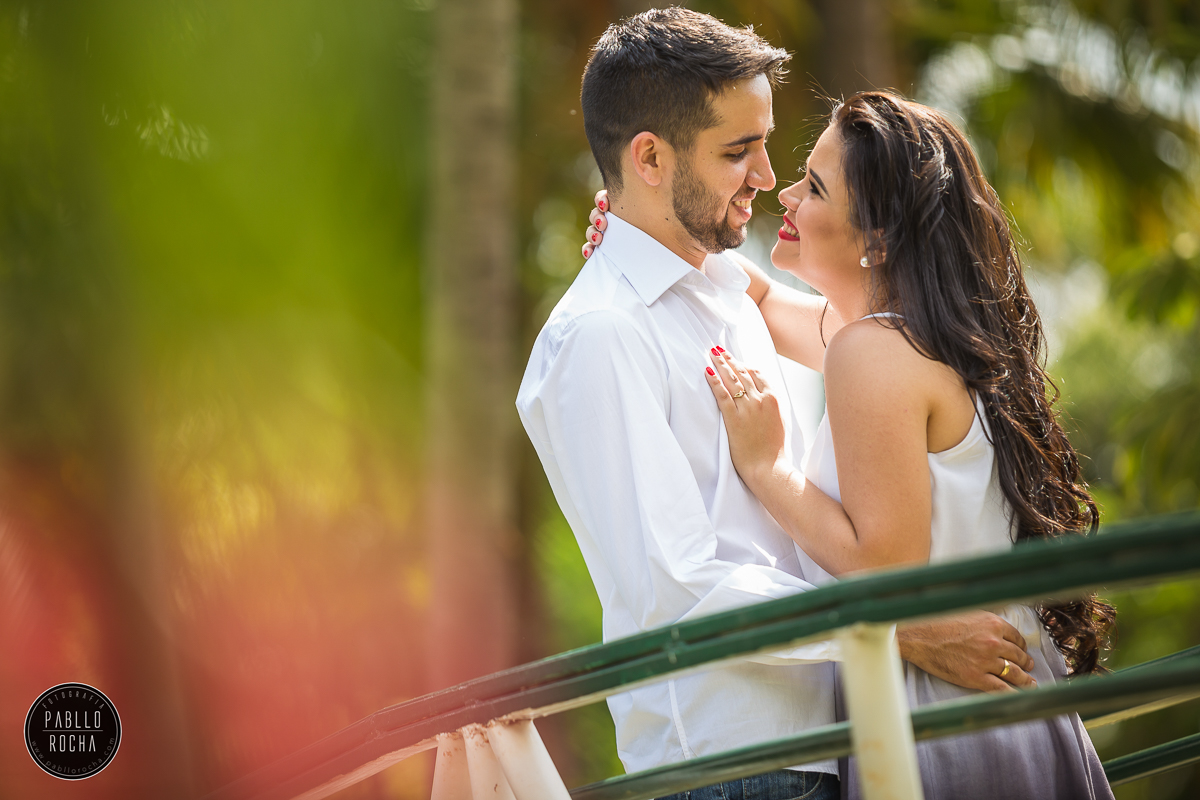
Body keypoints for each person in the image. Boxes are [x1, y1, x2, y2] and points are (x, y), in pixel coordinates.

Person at [519, 9, 1039, 799]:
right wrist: (900, 631)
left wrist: (636, 229)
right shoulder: (599, 336)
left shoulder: (726, 288)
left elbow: (857, 340)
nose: (767, 177)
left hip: (831, 741)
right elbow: (680, 586)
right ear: (650, 158)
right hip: (731, 764)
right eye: (740, 151)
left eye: (767, 146)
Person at [695, 91, 1115, 798]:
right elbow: (758, 302)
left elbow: (883, 566)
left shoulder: (872, 351)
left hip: (944, 726)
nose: (788, 194)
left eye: (818, 187)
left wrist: (766, 470)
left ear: (878, 239)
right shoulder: (920, 338)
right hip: (1009, 711)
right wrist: (637, 232)